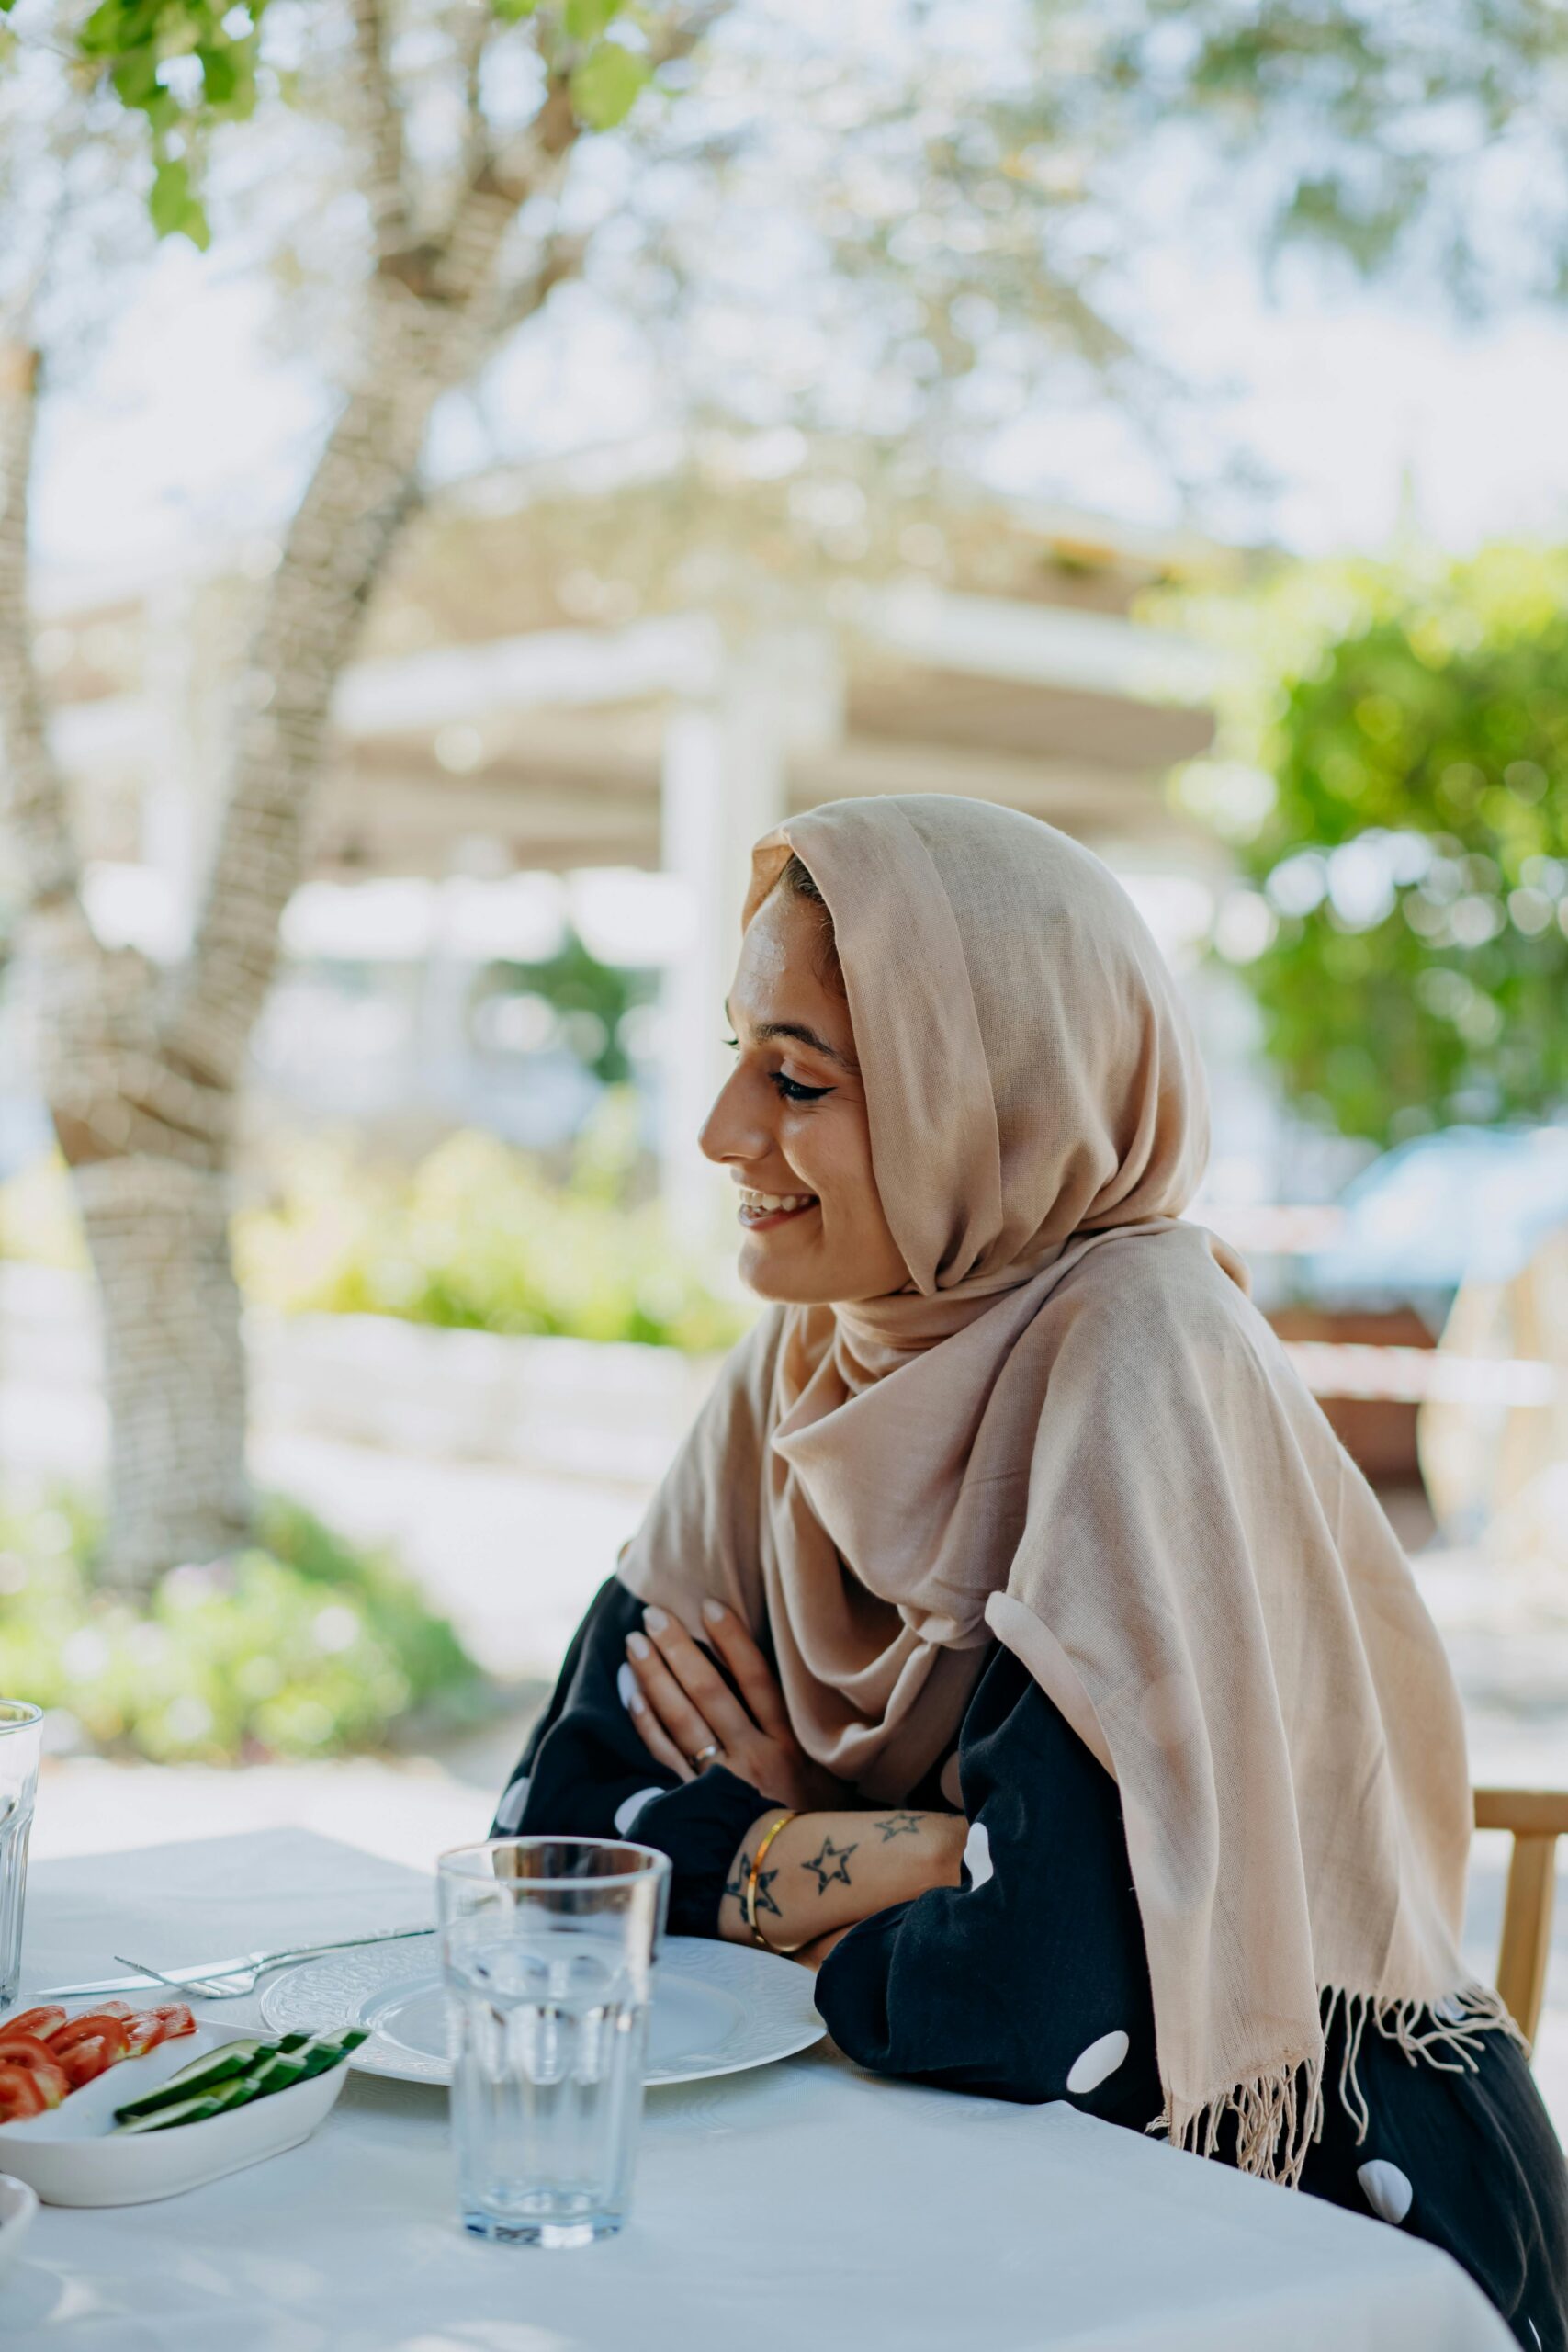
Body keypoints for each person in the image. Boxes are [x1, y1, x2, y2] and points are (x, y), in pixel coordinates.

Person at [496, 794, 1568, 2346]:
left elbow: (1036, 2000)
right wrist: (935, 1852)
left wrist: (750, 1842)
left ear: (980, 1098)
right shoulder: (804, 1364)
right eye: (736, 1053)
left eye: (795, 1076)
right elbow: (545, 1861)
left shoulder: (1138, 1351)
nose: (725, 1129)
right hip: (944, 2194)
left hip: (1306, 2216)